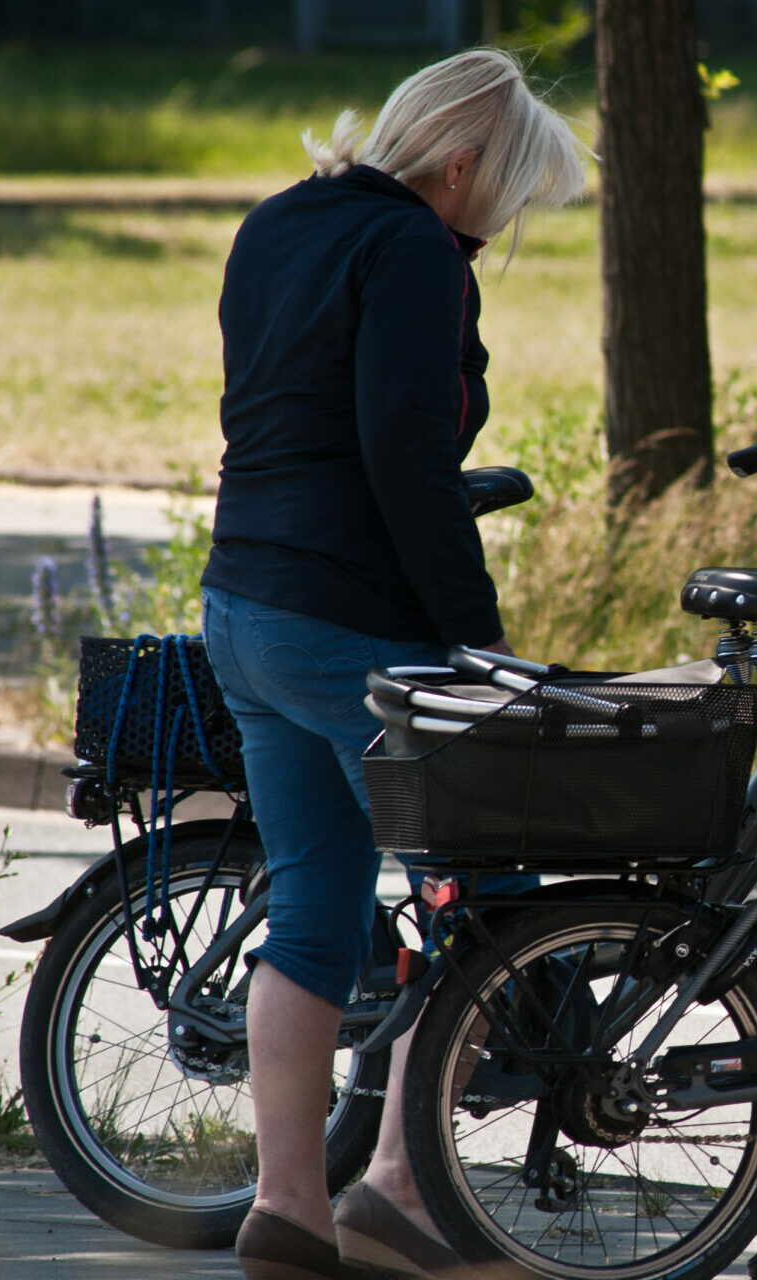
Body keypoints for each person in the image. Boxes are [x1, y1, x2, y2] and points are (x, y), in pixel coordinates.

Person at [198, 48, 587, 1280]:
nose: (505, 224)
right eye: (509, 198)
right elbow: (402, 457)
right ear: (461, 164)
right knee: (490, 894)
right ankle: (404, 1190)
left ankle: (288, 1212)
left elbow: (281, 413)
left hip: (242, 607)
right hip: (349, 627)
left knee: (313, 909)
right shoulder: (414, 251)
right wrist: (477, 640)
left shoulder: (278, 221)